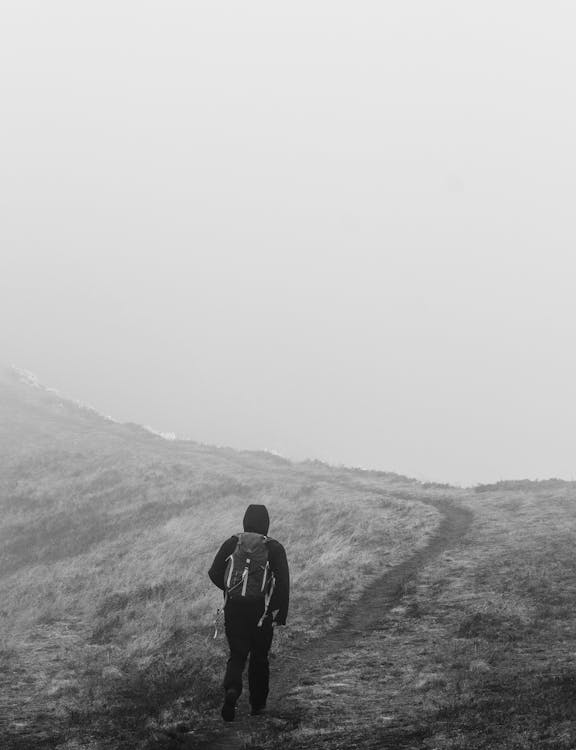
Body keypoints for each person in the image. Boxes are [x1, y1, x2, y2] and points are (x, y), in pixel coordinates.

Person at [208, 504, 290, 721]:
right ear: (266, 523)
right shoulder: (274, 548)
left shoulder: (233, 542)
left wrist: (230, 591)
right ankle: (258, 706)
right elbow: (283, 584)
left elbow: (214, 572)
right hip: (262, 612)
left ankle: (232, 690)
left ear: (245, 520)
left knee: (237, 655)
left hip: (234, 609)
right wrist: (279, 614)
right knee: (259, 658)